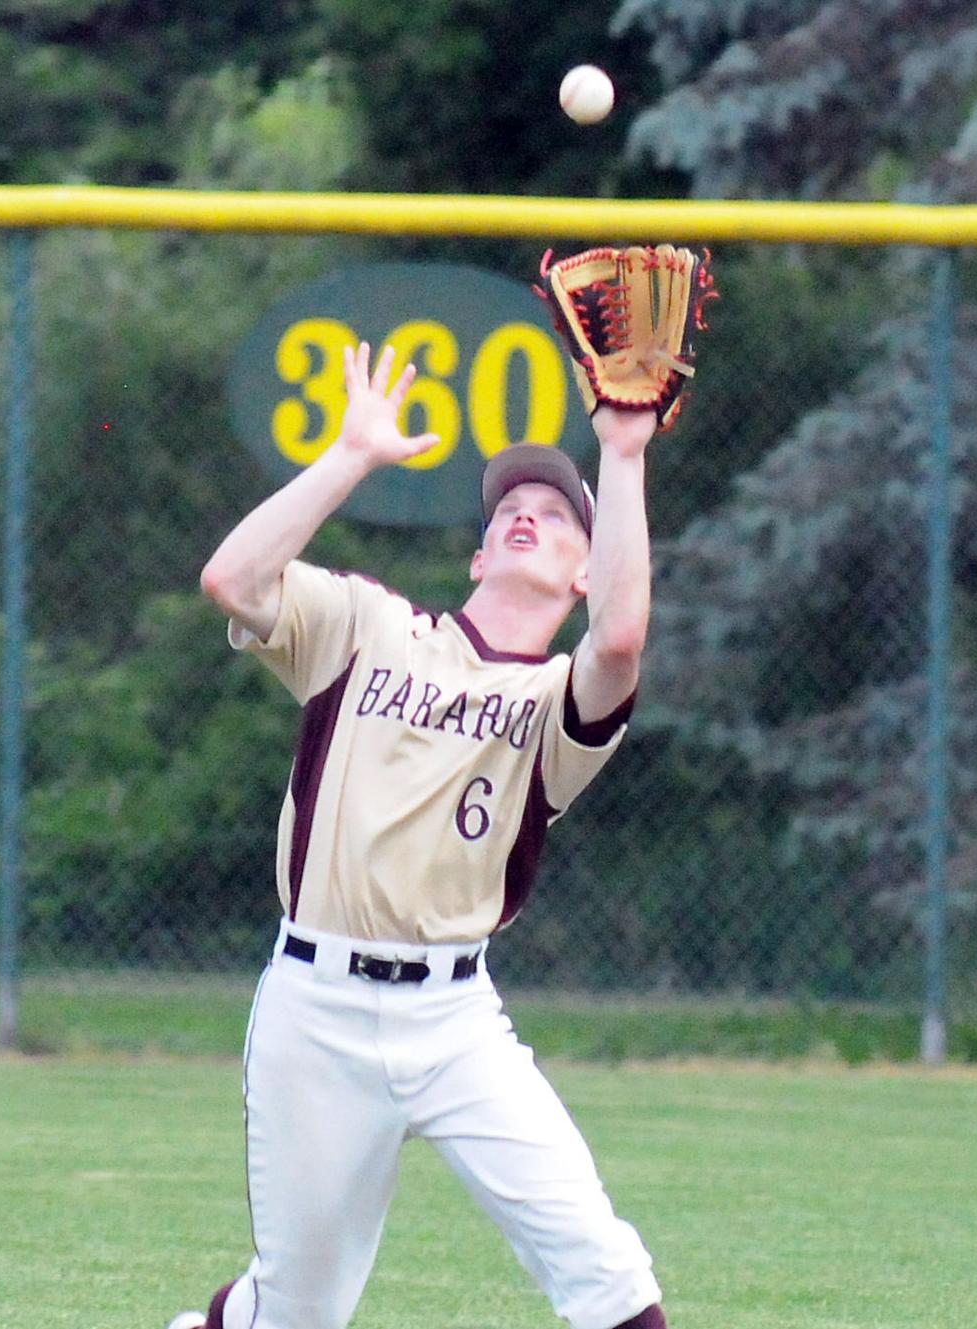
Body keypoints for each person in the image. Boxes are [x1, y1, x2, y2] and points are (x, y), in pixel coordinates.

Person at [167, 340, 665, 1329]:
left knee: (609, 1277)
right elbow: (232, 580)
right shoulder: (366, 626)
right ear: (480, 556)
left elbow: (617, 640)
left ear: (582, 572)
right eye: (511, 512)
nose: (530, 515)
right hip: (315, 1010)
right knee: (300, 1314)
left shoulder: (553, 706)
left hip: (455, 1023)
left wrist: (622, 452)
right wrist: (349, 455)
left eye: (560, 518)